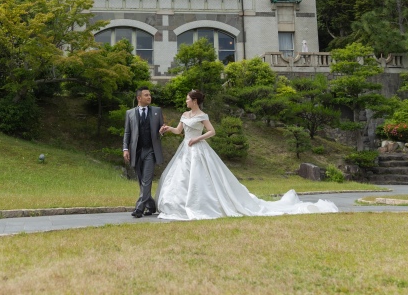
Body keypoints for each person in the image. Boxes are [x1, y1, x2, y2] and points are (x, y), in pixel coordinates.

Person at [156, 89, 338, 220]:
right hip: (185, 149)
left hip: (197, 148)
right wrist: (167, 128)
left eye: (188, 99)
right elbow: (179, 131)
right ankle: (177, 205)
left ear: (195, 101)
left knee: (202, 178)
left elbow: (212, 132)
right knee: (179, 178)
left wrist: (197, 139)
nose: (186, 101)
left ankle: (204, 203)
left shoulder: (202, 115)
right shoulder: (184, 114)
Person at [122, 86, 165, 218]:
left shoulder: (157, 111)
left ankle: (139, 208)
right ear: (139, 98)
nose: (149, 97)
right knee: (141, 181)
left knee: (147, 179)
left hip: (150, 151)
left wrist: (162, 131)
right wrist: (125, 149)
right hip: (136, 151)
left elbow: (161, 129)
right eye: (146, 95)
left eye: (150, 95)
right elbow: (127, 132)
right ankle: (151, 206)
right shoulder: (130, 113)